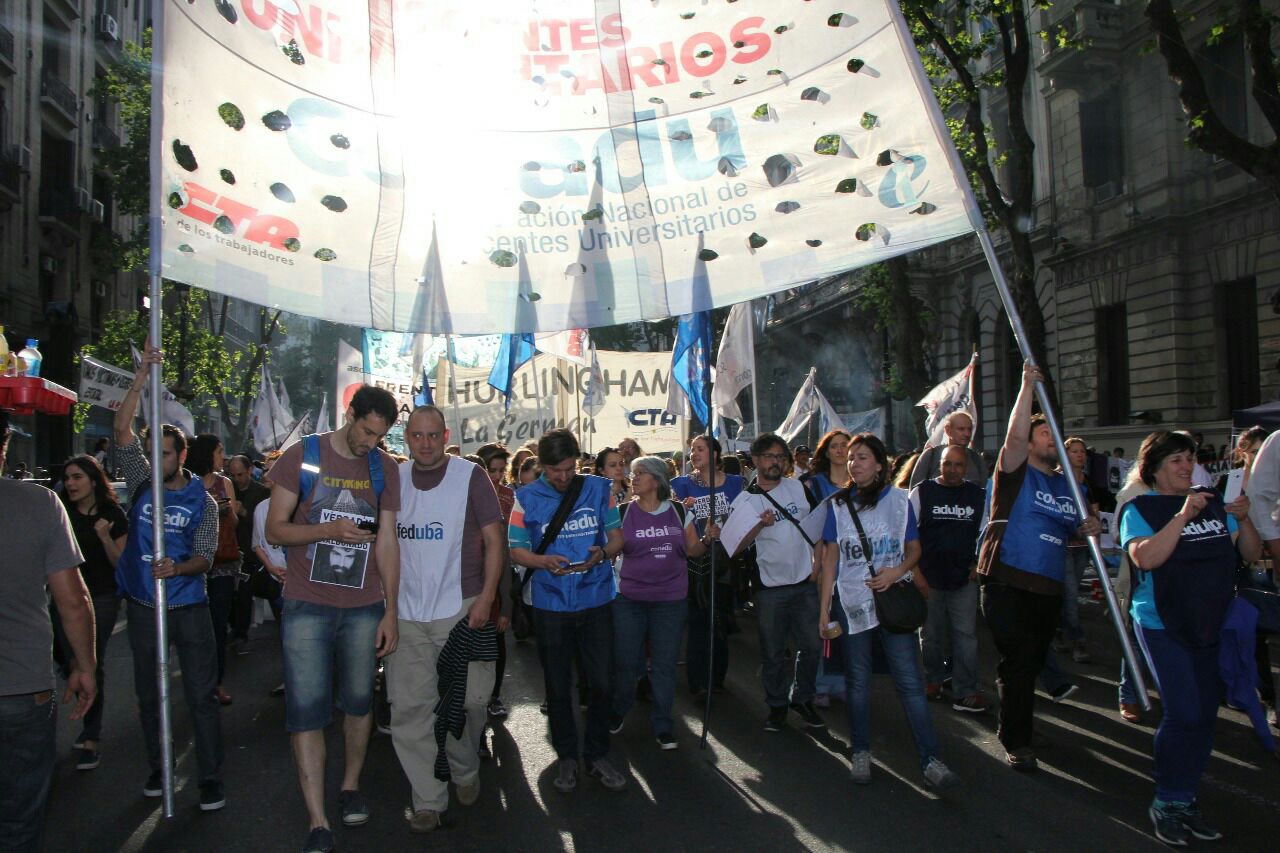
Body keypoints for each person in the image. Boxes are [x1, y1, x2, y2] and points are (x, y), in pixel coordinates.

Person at [266, 385, 403, 853]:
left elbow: (388, 542)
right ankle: (318, 820)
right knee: (306, 711)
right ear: (350, 414)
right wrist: (328, 529)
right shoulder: (303, 456)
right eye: (367, 431)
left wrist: (392, 610)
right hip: (307, 603)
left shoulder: (384, 468)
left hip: (364, 607)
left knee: (359, 704)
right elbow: (275, 529)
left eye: (380, 436)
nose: (371, 443)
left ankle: (349, 787)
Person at [1120, 430, 1261, 846]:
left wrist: (1245, 516)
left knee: (1204, 716)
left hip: (1210, 623)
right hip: (1162, 623)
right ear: (1155, 470)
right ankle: (1167, 799)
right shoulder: (1141, 507)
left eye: (1188, 459)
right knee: (1183, 713)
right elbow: (1145, 557)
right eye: (1175, 461)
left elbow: (1250, 554)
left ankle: (1185, 799)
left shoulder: (1214, 504)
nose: (1186, 467)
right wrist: (1182, 516)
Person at [112, 341, 225, 810]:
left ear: (180, 455)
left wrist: (177, 567)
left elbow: (206, 557)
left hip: (188, 606)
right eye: (151, 451)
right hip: (143, 606)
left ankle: (209, 777)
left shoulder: (205, 502)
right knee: (149, 695)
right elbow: (121, 431)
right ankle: (160, 768)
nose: (155, 459)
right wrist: (142, 376)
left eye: (164, 452)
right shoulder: (141, 483)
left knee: (200, 695)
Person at [818, 433, 959, 789]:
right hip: (852, 605)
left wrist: (898, 571)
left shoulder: (899, 501)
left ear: (879, 463)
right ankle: (861, 751)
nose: (854, 464)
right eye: (851, 458)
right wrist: (824, 610)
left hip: (893, 602)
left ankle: (931, 760)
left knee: (910, 682)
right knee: (858, 682)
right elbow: (830, 560)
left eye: (862, 457)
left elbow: (913, 548)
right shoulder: (836, 504)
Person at [387, 407, 505, 833]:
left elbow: (495, 541)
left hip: (462, 606)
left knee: (472, 701)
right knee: (409, 710)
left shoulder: (469, 476)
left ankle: (465, 765)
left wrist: (487, 600)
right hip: (407, 612)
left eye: (433, 435)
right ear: (407, 438)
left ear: (445, 435)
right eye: (416, 435)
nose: (425, 443)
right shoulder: (394, 479)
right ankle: (427, 799)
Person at [976, 362, 1098, 771]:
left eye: (1055, 435)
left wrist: (1089, 526)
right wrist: (1026, 385)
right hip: (1007, 579)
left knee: (1025, 662)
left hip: (1048, 587)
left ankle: (1017, 723)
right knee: (1020, 659)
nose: (1053, 440)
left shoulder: (1070, 487)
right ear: (1029, 444)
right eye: (1045, 434)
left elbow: (1078, 528)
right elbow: (1012, 435)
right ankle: (1017, 739)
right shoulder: (1014, 472)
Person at [508, 429, 626, 794]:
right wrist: (542, 561)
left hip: (596, 598)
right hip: (550, 603)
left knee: (603, 682)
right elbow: (515, 550)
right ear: (542, 466)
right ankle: (567, 757)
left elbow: (617, 537)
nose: (563, 477)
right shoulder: (524, 498)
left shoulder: (598, 489)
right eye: (555, 471)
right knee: (559, 688)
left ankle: (597, 753)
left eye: (569, 469)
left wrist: (603, 554)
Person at [0, 412, 97, 851]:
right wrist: (85, 666)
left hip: (23, 690)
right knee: (19, 822)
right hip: (23, 690)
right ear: (4, 446)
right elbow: (72, 600)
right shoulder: (39, 504)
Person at [612, 456, 713, 749]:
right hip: (629, 599)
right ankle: (619, 710)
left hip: (670, 601)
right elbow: (612, 550)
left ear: (656, 480)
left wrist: (707, 539)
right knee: (627, 662)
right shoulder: (621, 513)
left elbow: (693, 551)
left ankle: (663, 724)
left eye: (640, 473)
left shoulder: (680, 512)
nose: (634, 478)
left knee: (665, 666)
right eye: (633, 474)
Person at [728, 433, 825, 731]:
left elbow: (819, 525)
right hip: (770, 589)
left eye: (781, 457)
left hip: (806, 582)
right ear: (755, 460)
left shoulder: (798, 487)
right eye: (770, 456)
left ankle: (803, 697)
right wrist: (758, 524)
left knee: (812, 646)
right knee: (773, 651)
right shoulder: (745, 501)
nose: (776, 462)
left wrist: (818, 566)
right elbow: (735, 546)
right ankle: (777, 705)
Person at [54, 454, 128, 770]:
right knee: (67, 657)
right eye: (67, 478)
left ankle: (91, 737)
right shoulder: (59, 512)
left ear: (94, 481)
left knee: (90, 661)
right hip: (60, 598)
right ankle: (77, 679)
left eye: (77, 477)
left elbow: (120, 563)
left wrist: (103, 536)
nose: (70, 483)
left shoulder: (113, 515)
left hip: (101, 598)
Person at [909, 444, 990, 712]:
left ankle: (966, 689)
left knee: (965, 636)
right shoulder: (922, 492)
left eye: (958, 465)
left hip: (963, 579)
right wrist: (915, 571)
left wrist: (979, 563)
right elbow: (906, 535)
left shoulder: (977, 496)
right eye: (947, 464)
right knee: (930, 636)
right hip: (929, 578)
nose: (952, 470)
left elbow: (986, 533)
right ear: (939, 465)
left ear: (966, 468)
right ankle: (933, 679)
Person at [671, 435, 745, 696]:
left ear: (715, 455)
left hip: (726, 561)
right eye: (692, 450)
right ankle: (698, 682)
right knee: (699, 620)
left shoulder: (737, 483)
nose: (694, 454)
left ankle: (718, 677)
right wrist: (683, 508)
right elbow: (675, 519)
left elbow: (744, 516)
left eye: (700, 449)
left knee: (721, 619)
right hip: (696, 561)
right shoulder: (681, 485)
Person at [187, 434, 241, 706]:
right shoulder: (188, 482)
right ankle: (196, 681)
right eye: (220, 450)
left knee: (217, 626)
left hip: (221, 565)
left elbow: (235, 521)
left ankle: (217, 682)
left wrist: (226, 510)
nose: (223, 456)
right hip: (192, 565)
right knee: (193, 630)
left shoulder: (225, 483)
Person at [800, 429, 852, 707]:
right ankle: (820, 684)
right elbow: (812, 527)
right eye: (835, 446)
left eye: (846, 445)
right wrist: (816, 565)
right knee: (823, 625)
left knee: (848, 628)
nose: (841, 450)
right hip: (825, 561)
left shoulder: (861, 484)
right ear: (826, 451)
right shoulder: (815, 485)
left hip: (854, 565)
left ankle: (842, 682)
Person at [476, 442, 515, 721]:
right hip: (469, 577)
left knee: (496, 643)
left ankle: (494, 695)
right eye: (492, 470)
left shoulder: (508, 496)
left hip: (498, 574)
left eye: (502, 471)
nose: (497, 477)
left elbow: (507, 548)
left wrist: (507, 605)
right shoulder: (467, 494)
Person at [1056, 437, 1102, 664]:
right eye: (1074, 451)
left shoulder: (1088, 482)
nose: (1080, 455)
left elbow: (1096, 512)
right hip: (1062, 544)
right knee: (1071, 592)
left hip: (1082, 545)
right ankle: (1077, 639)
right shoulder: (1056, 480)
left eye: (1082, 451)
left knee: (1069, 593)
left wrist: (1095, 528)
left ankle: (1061, 630)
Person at [227, 454, 271, 655]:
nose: (237, 479)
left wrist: (244, 512)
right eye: (233, 475)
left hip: (250, 554)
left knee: (244, 595)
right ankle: (234, 628)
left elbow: (264, 525)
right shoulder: (229, 489)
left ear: (250, 471)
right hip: (230, 552)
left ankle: (240, 635)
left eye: (240, 474)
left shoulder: (261, 493)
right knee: (231, 596)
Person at [907, 411, 987, 488]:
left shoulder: (977, 460)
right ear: (948, 430)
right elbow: (915, 492)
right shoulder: (930, 456)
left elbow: (985, 495)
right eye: (961, 429)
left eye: (969, 429)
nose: (967, 434)